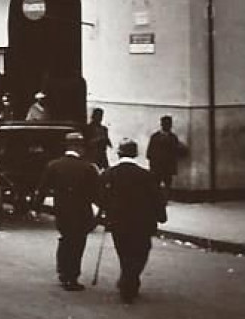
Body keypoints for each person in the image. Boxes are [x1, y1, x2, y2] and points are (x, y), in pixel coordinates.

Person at [98, 139, 166, 303]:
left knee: (124, 252)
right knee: (141, 252)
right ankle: (130, 281)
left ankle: (127, 280)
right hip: (142, 223)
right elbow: (157, 198)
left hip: (118, 222)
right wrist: (161, 216)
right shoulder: (147, 175)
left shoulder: (109, 174)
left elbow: (100, 197)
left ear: (119, 153)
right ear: (135, 154)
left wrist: (106, 211)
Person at [38, 131, 100, 291]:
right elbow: (96, 194)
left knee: (66, 239)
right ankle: (71, 277)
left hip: (62, 210)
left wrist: (36, 207)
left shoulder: (54, 165)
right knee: (77, 244)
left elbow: (42, 189)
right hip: (81, 212)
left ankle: (63, 271)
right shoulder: (88, 168)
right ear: (79, 148)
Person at [146, 115, 185, 194]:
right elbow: (149, 152)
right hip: (157, 166)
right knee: (156, 183)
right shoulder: (155, 137)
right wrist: (153, 164)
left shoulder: (173, 137)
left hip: (168, 166)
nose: (168, 126)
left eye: (169, 124)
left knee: (167, 183)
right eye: (165, 124)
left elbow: (176, 151)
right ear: (162, 124)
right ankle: (156, 198)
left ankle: (166, 198)